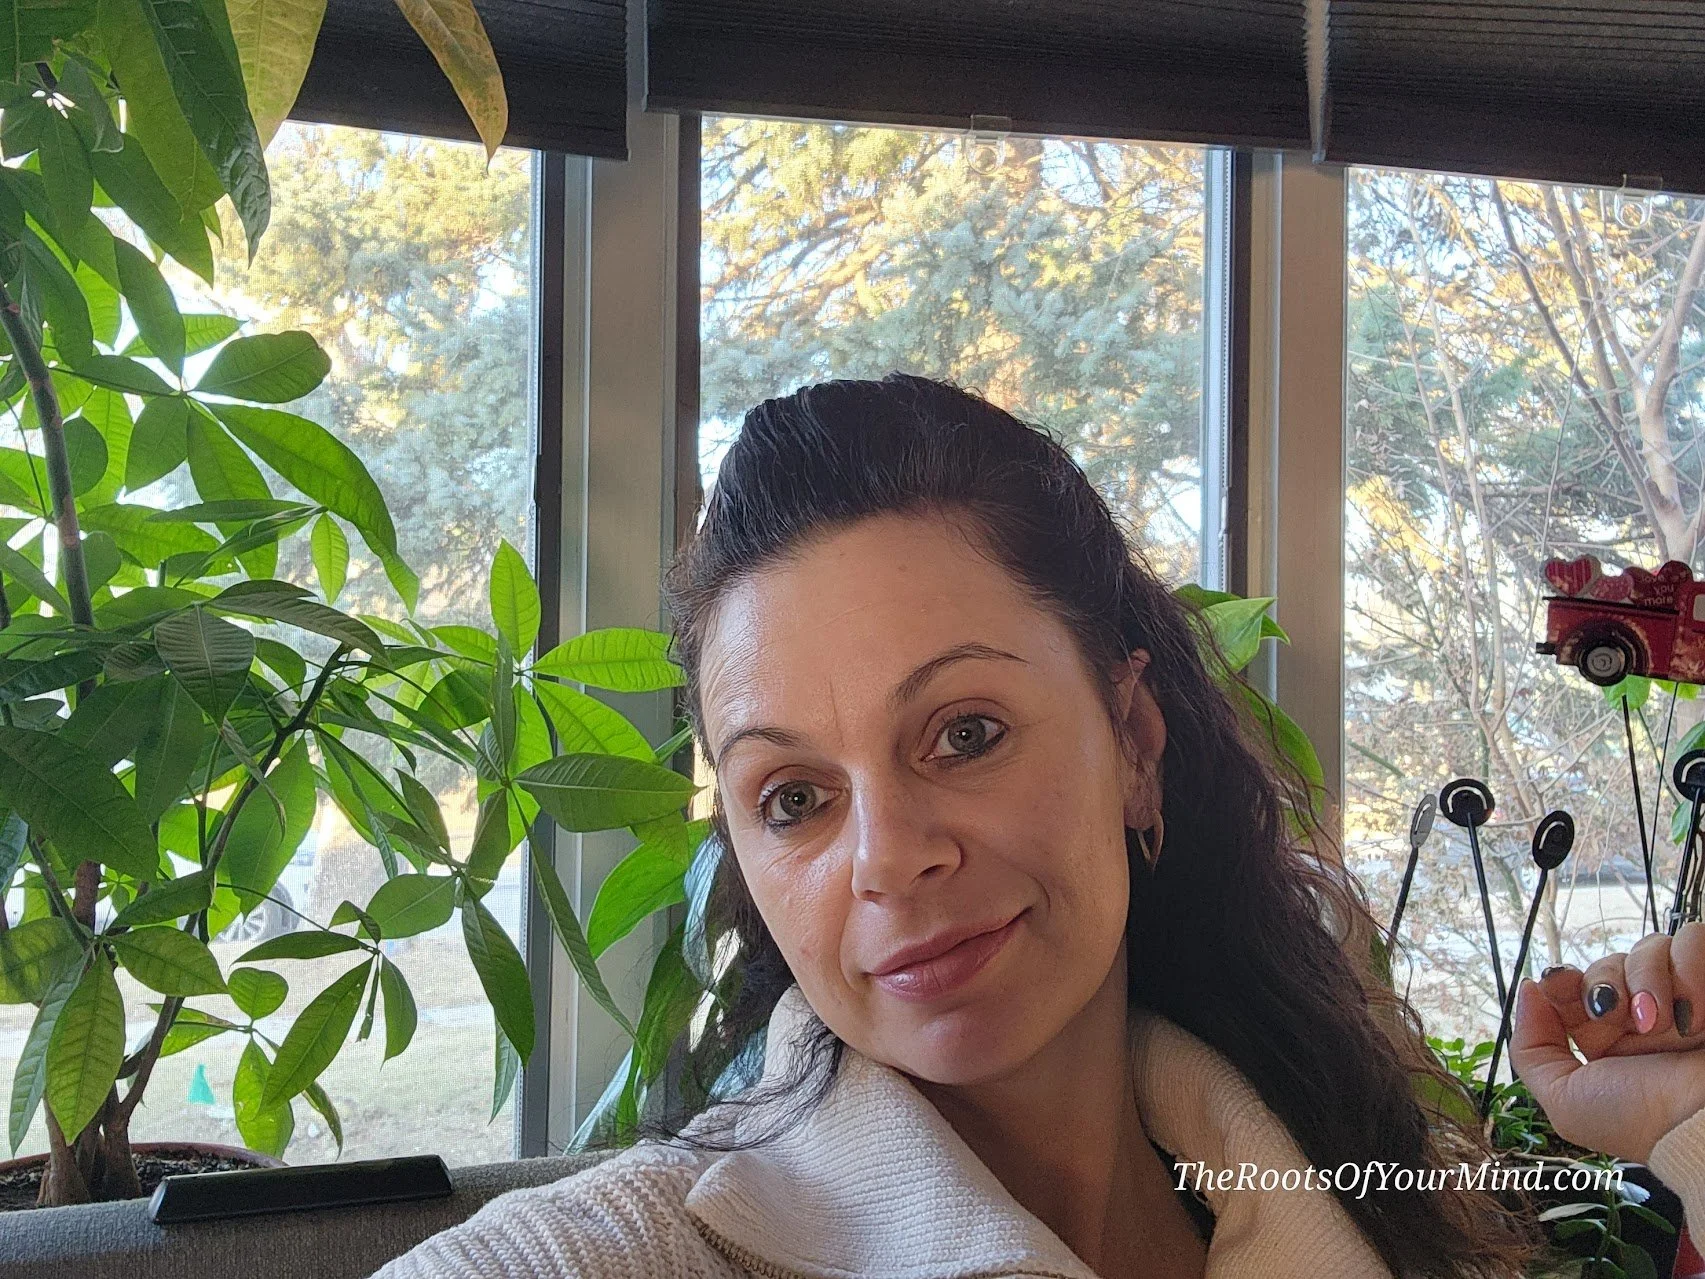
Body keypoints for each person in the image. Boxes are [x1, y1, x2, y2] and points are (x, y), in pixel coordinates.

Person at [377, 375, 1705, 1278]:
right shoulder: (642, 1247)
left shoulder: (1344, 1192)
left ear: (1134, 740)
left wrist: (1689, 1128)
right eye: (795, 797)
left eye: (964, 732)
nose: (888, 855)